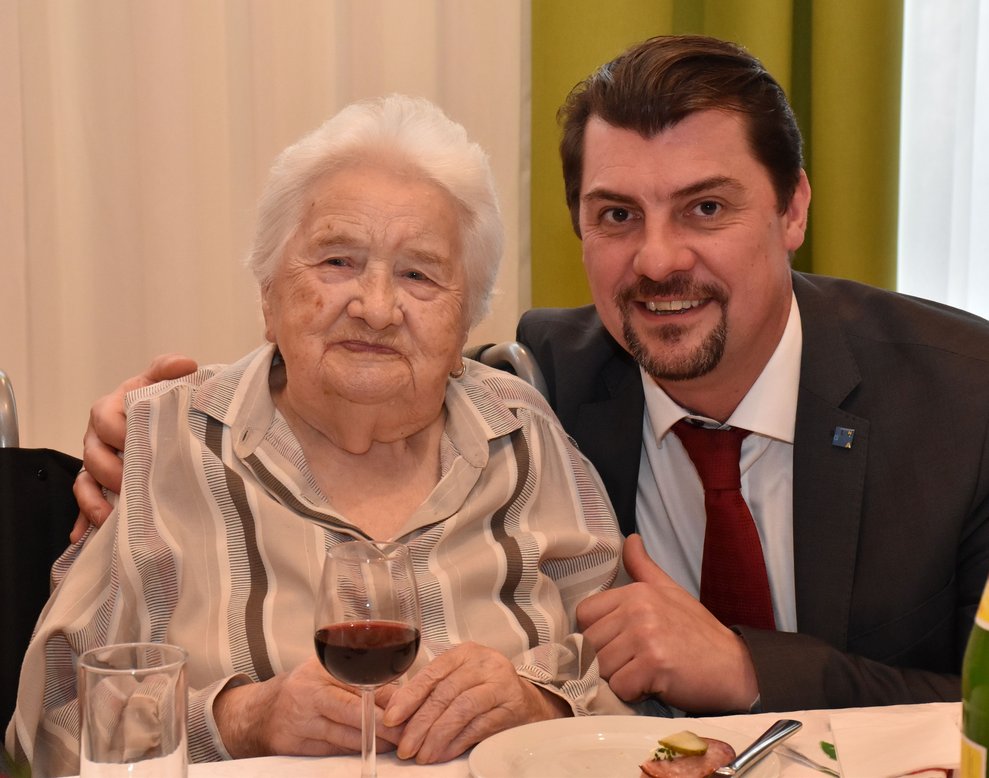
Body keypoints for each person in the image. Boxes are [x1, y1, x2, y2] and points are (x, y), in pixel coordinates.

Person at [72, 35, 989, 716]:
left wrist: (754, 670)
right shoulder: (542, 380)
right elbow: (369, 366)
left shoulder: (967, 399)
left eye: (706, 208)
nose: (659, 260)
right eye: (617, 214)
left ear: (793, 208)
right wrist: (139, 437)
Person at [6, 94, 631, 777]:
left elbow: (637, 685)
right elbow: (46, 730)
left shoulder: (524, 434)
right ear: (268, 297)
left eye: (419, 274)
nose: (375, 306)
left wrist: (537, 706)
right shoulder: (164, 443)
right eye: (337, 261)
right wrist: (240, 720)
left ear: (465, 324)